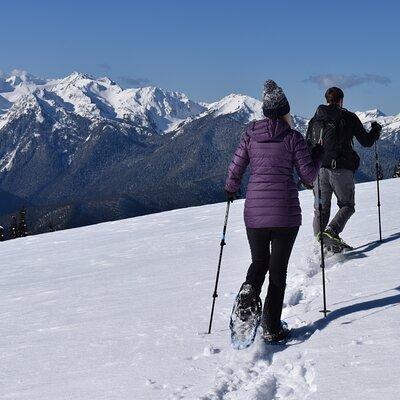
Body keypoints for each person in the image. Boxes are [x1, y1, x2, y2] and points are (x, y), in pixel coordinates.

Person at [224, 80, 323, 342]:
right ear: (284, 111)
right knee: (278, 271)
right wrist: (318, 155)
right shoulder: (293, 138)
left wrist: (230, 188)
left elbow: (236, 166)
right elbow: (309, 177)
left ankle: (248, 291)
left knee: (259, 262)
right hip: (285, 214)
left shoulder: (250, 134)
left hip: (255, 212)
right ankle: (271, 327)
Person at [306, 87, 382, 249]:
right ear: (341, 100)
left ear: (326, 100)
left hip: (318, 172)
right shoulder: (348, 117)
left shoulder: (315, 120)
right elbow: (367, 142)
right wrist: (375, 131)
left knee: (321, 210)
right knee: (347, 205)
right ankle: (331, 232)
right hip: (340, 170)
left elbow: (307, 147)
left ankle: (322, 247)